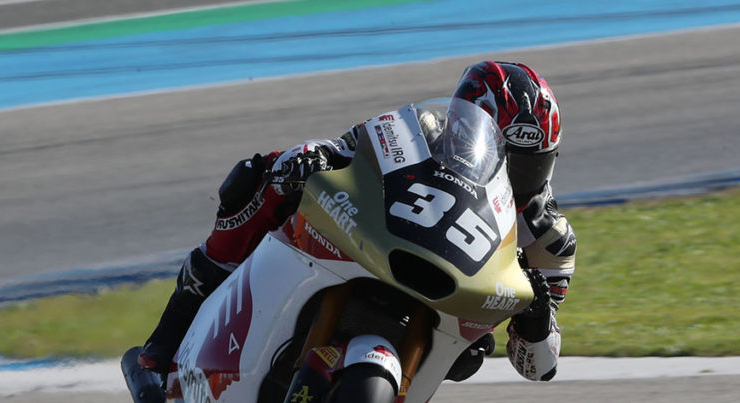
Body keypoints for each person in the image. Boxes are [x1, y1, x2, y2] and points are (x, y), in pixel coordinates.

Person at [138, 60, 576, 383]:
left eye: (529, 166)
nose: (514, 178)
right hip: (377, 248)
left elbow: (539, 367)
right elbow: (344, 149)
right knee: (264, 174)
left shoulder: (550, 240)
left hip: (444, 322)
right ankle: (169, 336)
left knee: (473, 356)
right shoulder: (421, 131)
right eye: (504, 159)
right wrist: (310, 158)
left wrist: (538, 317)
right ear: (463, 129)